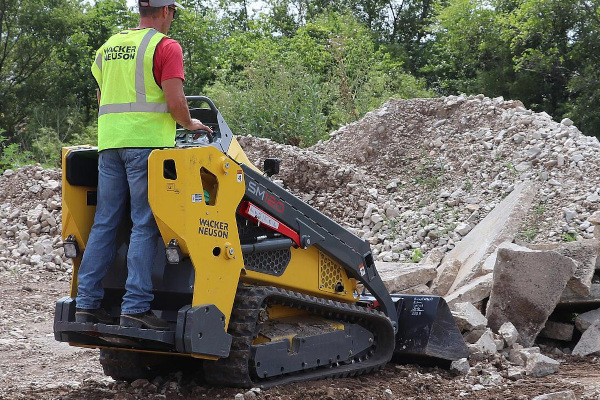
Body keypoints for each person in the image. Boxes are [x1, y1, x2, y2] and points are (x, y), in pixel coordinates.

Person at [74, 0, 212, 330]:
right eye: (174, 12)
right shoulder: (165, 47)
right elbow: (175, 101)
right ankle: (135, 307)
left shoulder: (108, 47)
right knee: (145, 223)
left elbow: (101, 97)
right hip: (146, 148)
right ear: (166, 11)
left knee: (105, 222)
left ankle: (86, 304)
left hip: (109, 146)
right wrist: (190, 123)